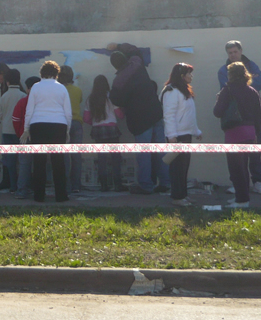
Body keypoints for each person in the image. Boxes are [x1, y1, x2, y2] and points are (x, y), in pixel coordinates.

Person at [109, 49, 170, 195]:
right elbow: (134, 50)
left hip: (140, 120)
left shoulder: (119, 80)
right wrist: (118, 46)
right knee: (161, 151)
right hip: (155, 113)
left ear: (115, 66)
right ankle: (165, 182)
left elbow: (115, 100)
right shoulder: (137, 63)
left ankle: (146, 185)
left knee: (144, 153)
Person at [217, 41, 261, 195]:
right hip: (233, 120)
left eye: (235, 52)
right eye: (230, 53)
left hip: (252, 118)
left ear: (241, 51)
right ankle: (237, 184)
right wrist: (246, 85)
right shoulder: (223, 70)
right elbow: (226, 87)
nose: (233, 55)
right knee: (236, 157)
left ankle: (257, 182)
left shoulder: (251, 65)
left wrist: (242, 87)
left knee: (255, 153)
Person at [21, 61, 71, 203]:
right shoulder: (62, 88)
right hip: (59, 125)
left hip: (38, 124)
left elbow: (29, 110)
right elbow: (68, 112)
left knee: (39, 162)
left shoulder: (36, 87)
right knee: (58, 162)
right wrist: (67, 129)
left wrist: (26, 128)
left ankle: (39, 196)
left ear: (41, 73)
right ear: (56, 73)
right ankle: (61, 196)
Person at [161, 63, 202, 207]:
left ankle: (183, 195)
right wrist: (172, 136)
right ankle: (177, 197)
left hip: (186, 135)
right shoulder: (171, 91)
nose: (191, 76)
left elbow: (189, 115)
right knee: (177, 168)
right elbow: (169, 115)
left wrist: (196, 131)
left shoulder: (184, 90)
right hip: (177, 136)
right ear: (181, 75)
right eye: (189, 73)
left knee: (184, 167)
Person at [83, 75, 126, 192]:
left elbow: (86, 118)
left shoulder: (90, 99)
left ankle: (104, 185)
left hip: (98, 130)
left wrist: (94, 123)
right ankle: (117, 184)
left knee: (101, 158)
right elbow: (120, 115)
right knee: (116, 157)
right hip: (112, 130)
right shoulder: (111, 97)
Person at [0, 69, 25, 191]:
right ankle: (23, 185)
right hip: (21, 132)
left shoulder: (4, 97)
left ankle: (12, 186)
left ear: (7, 82)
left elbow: (0, 115)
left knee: (9, 161)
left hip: (7, 131)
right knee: (23, 161)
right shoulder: (23, 96)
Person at [12, 76, 40, 199]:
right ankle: (39, 189)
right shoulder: (44, 103)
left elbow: (15, 119)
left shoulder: (23, 102)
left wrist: (20, 133)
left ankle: (22, 190)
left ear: (28, 89)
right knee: (41, 163)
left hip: (25, 136)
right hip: (41, 135)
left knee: (24, 164)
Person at [58, 65, 84, 193]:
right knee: (76, 156)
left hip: (63, 123)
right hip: (77, 123)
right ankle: (76, 186)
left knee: (64, 156)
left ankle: (66, 185)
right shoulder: (78, 90)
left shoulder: (58, 91)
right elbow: (79, 101)